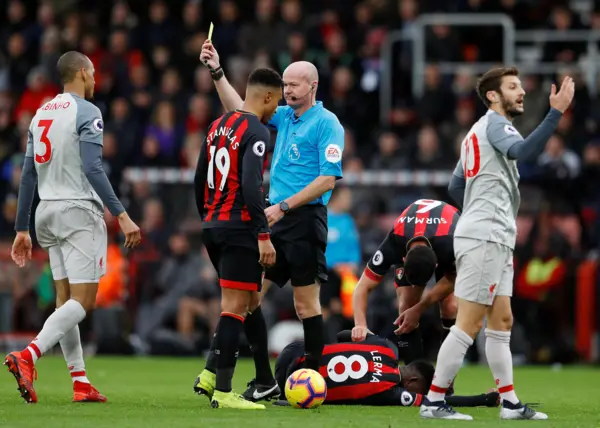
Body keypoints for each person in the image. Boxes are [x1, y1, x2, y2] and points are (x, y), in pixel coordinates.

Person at [421, 68, 574, 420]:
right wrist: (556, 113)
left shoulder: (475, 133)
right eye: (512, 87)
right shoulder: (496, 124)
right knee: (470, 324)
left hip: (493, 234)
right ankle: (433, 401)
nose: (520, 92)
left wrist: (480, 209)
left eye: (520, 86)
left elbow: (456, 186)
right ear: (493, 95)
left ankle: (509, 403)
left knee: (501, 320)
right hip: (486, 234)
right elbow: (523, 151)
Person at [199, 40, 344, 401]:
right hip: (273, 220)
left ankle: (315, 378)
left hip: (304, 220)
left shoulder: (328, 124)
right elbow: (243, 110)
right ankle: (261, 378)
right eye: (285, 84)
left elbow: (328, 179)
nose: (288, 90)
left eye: (294, 84)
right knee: (248, 297)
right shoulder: (284, 117)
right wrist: (217, 72)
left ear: (313, 86)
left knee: (305, 304)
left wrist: (285, 206)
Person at [5, 51, 141, 404]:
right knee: (84, 301)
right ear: (82, 73)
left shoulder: (41, 114)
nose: (95, 80)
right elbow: (93, 168)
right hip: (78, 211)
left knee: (64, 302)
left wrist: (21, 227)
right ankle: (28, 356)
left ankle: (80, 382)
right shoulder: (88, 112)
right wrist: (122, 214)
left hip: (45, 212)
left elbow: (28, 175)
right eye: (93, 73)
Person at [192, 68, 284, 409]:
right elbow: (251, 184)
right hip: (239, 228)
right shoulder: (257, 130)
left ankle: (217, 375)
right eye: (276, 102)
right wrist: (263, 234)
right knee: (234, 308)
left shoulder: (218, 125)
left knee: (248, 301)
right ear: (268, 97)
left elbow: (199, 176)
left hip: (213, 225)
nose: (276, 111)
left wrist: (208, 217)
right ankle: (224, 392)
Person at [351, 199, 460, 364]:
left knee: (451, 307)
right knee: (405, 306)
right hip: (413, 233)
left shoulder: (452, 244)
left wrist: (420, 307)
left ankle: (447, 381)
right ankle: (414, 376)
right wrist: (360, 324)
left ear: (437, 264)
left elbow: (452, 278)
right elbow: (362, 287)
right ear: (402, 258)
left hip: (447, 234)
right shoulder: (395, 241)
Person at [273, 331, 500, 408]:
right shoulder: (391, 391)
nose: (420, 395)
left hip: (293, 352)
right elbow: (439, 403)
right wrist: (484, 399)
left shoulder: (388, 347)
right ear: (412, 382)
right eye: (422, 390)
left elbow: (344, 334)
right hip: (292, 389)